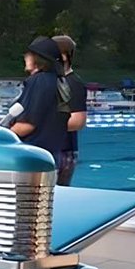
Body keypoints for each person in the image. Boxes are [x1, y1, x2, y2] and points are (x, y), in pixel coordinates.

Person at [2, 37, 67, 166]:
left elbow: (27, 125)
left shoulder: (38, 81)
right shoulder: (62, 83)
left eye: (29, 54)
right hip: (52, 155)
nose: (25, 57)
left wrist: (1, 136)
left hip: (31, 155)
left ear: (38, 59)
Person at [52, 35, 87, 185]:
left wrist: (43, 125)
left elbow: (78, 121)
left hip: (63, 151)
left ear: (64, 57)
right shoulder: (54, 81)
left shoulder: (74, 84)